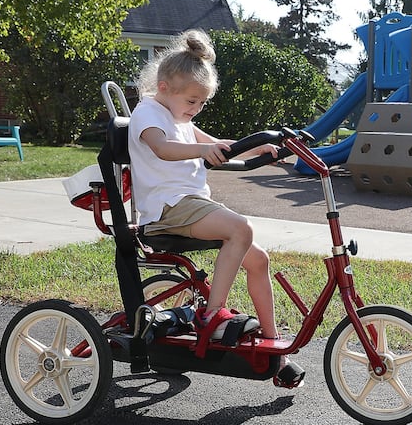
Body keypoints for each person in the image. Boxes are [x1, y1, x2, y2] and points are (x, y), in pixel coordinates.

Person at [127, 29, 304, 388]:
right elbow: (162, 149)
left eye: (201, 103)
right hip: (166, 210)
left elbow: (220, 145)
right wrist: (199, 151)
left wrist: (259, 148)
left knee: (259, 260)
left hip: (190, 205)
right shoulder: (148, 113)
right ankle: (211, 317)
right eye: (192, 101)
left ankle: (274, 352)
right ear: (164, 87)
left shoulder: (181, 118)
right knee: (241, 229)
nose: (196, 109)